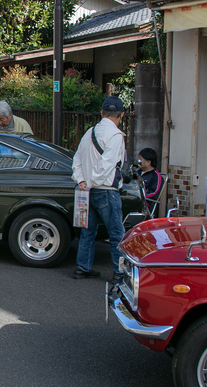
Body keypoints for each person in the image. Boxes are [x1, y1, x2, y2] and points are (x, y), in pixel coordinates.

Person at [71, 96, 127, 284]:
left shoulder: (90, 132)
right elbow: (107, 165)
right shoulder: (116, 135)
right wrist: (92, 182)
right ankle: (119, 273)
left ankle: (82, 267)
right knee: (116, 234)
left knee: (88, 232)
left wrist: (82, 181)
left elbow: (76, 159)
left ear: (101, 113)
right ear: (122, 115)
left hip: (86, 191)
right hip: (106, 190)